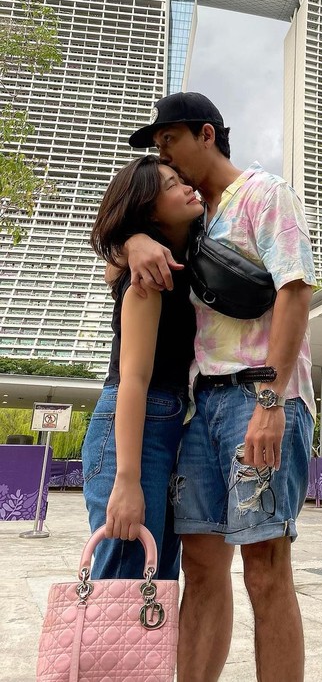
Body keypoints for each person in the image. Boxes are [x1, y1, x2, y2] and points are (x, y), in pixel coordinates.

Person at [124, 91, 316, 682]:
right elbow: (113, 244)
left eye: (170, 141)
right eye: (159, 147)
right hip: (199, 406)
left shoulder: (264, 193)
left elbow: (296, 290)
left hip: (257, 398)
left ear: (206, 134)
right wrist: (133, 239)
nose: (166, 156)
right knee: (203, 568)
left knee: (264, 569)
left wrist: (270, 399)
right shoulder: (193, 218)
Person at [82, 155, 203, 580]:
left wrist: (132, 241)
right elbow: (133, 378)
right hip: (132, 432)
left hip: (164, 427)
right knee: (126, 579)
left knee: (157, 579)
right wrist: (127, 480)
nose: (187, 187)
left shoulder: (177, 262)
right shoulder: (147, 281)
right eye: (172, 184)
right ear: (150, 208)